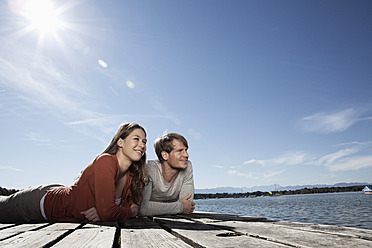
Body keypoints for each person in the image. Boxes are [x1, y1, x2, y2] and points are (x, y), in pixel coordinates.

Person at [0, 122, 148, 223]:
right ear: (120, 142)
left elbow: (127, 207)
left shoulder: (132, 176)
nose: (142, 144)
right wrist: (124, 212)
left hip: (63, 203)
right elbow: (115, 211)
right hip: (40, 203)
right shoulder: (106, 160)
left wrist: (106, 211)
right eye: (136, 139)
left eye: (144, 141)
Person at [139, 132, 195, 216]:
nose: (186, 155)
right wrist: (180, 207)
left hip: (171, 220)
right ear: (165, 155)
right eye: (180, 151)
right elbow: (142, 208)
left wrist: (181, 207)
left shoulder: (187, 166)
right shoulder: (149, 168)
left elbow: (187, 205)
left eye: (186, 150)